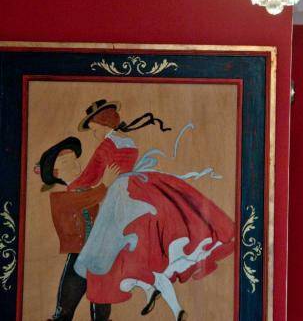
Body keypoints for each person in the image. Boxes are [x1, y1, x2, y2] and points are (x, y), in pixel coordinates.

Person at [69, 99, 235, 321]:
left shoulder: (107, 145)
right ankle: (151, 287)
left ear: (103, 123)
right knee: (139, 245)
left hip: (119, 194)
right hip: (139, 187)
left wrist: (71, 187)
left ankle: (135, 288)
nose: (94, 134)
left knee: (107, 250)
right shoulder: (128, 141)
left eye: (94, 129)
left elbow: (90, 175)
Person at [37, 136, 120, 321]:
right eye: (67, 162)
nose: (76, 165)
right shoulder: (60, 200)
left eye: (75, 160)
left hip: (99, 257)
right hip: (78, 257)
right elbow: (82, 201)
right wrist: (105, 185)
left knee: (102, 314)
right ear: (57, 172)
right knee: (63, 313)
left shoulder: (91, 193)